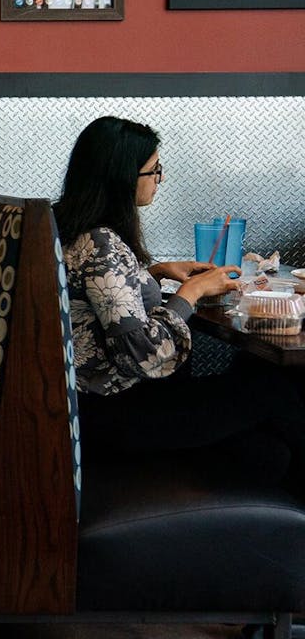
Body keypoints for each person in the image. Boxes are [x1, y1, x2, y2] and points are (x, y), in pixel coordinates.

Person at [54, 115, 305, 485]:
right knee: (273, 390)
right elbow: (142, 353)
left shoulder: (69, 227)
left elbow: (94, 298)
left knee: (265, 429)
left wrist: (154, 273)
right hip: (118, 414)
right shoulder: (102, 244)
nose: (161, 179)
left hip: (96, 408)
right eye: (154, 171)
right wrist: (194, 291)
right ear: (123, 177)